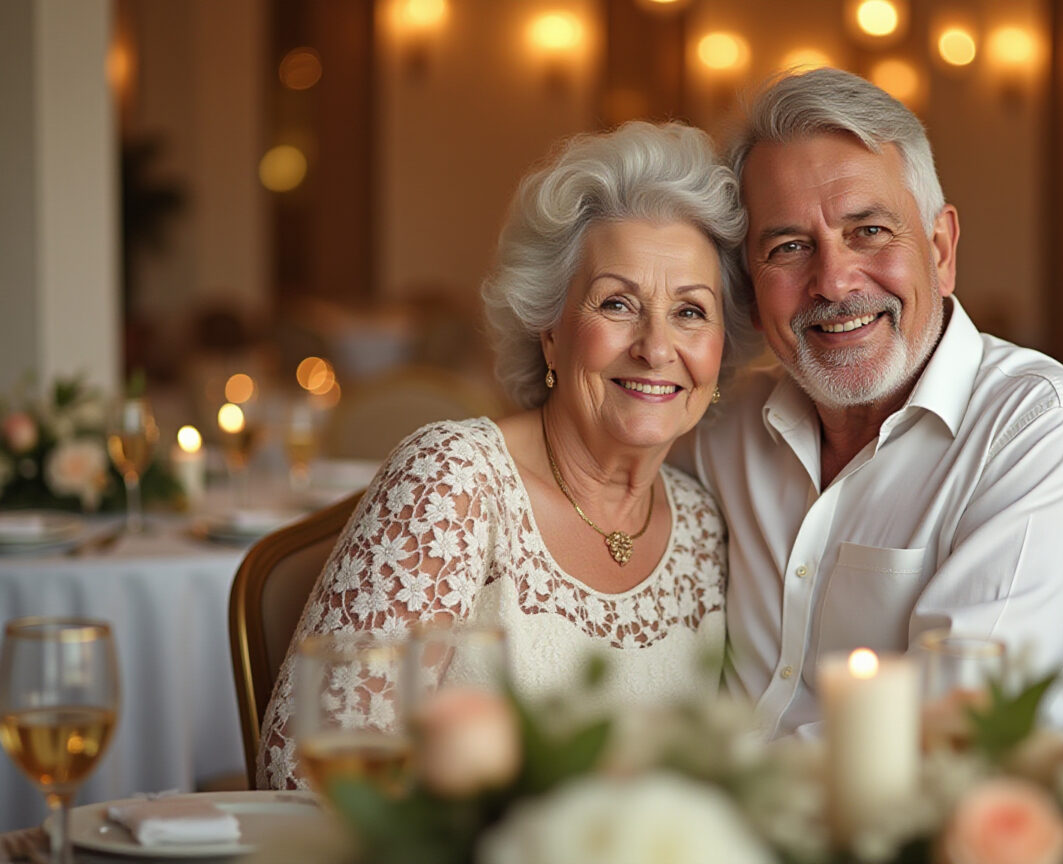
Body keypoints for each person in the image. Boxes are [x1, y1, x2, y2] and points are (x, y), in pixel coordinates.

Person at [257, 121, 753, 789]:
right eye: (617, 304)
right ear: (549, 331)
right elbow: (305, 774)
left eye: (691, 312)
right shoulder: (454, 480)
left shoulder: (703, 524)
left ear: (721, 350)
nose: (656, 347)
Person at [682, 68, 1063, 736]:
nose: (834, 282)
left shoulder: (1044, 435)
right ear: (749, 289)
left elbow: (945, 735)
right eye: (789, 247)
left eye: (868, 232)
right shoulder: (720, 429)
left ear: (941, 248)